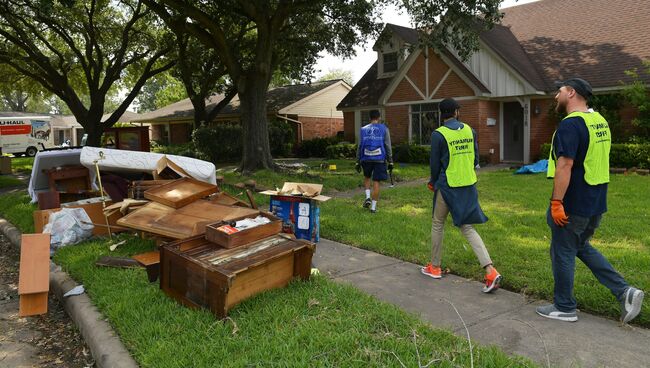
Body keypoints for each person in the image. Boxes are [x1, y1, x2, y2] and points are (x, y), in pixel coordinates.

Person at [538, 78, 644, 322]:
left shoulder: (570, 125)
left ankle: (564, 307)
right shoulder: (600, 122)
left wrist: (557, 202)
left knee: (562, 251)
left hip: (573, 203)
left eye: (560, 91)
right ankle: (624, 291)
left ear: (571, 93)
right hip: (595, 203)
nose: (556, 96)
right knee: (580, 247)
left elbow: (565, 165)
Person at [421, 98, 502, 293]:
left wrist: (433, 182)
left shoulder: (438, 135)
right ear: (456, 112)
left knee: (437, 224)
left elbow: (434, 165)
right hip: (468, 185)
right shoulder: (470, 130)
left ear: (442, 113)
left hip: (447, 186)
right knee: (467, 227)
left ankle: (435, 267)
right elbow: (474, 158)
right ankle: (490, 271)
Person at [355, 109, 393, 213]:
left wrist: (357, 160)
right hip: (379, 159)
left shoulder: (363, 129)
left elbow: (359, 146)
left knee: (367, 177)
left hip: (366, 158)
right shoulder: (384, 129)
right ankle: (373, 208)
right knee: (376, 181)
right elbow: (388, 146)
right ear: (379, 117)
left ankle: (367, 197)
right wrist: (390, 160)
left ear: (370, 118)